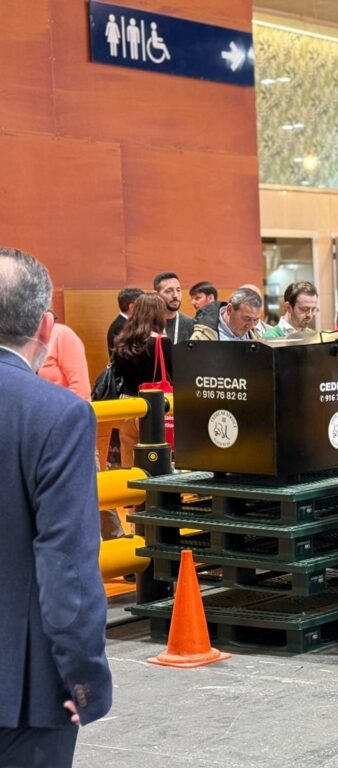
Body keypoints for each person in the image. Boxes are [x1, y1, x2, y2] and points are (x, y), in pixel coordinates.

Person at [0, 247, 112, 767]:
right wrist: (84, 679)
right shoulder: (56, 415)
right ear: (47, 327)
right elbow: (66, 566)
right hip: (22, 688)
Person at [39, 317, 127, 540]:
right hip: (35, 433)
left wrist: (66, 425)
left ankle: (116, 540)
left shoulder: (62, 335)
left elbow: (81, 389)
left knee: (92, 487)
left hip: (68, 429)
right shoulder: (19, 340)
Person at [112, 293, 173, 466]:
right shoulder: (162, 342)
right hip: (153, 407)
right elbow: (174, 375)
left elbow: (118, 374)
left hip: (126, 405)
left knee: (128, 458)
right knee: (155, 461)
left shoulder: (123, 341)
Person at [190, 287, 264, 341]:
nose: (250, 326)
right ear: (229, 310)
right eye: (246, 318)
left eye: (255, 320)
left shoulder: (254, 335)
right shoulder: (203, 336)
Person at [154, 272, 194, 343]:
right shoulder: (147, 323)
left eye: (178, 290)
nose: (175, 295)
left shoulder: (191, 324)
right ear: (157, 295)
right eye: (169, 291)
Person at [106, 287, 143, 354]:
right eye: (143, 305)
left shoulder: (126, 323)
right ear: (132, 307)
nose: (145, 308)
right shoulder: (120, 327)